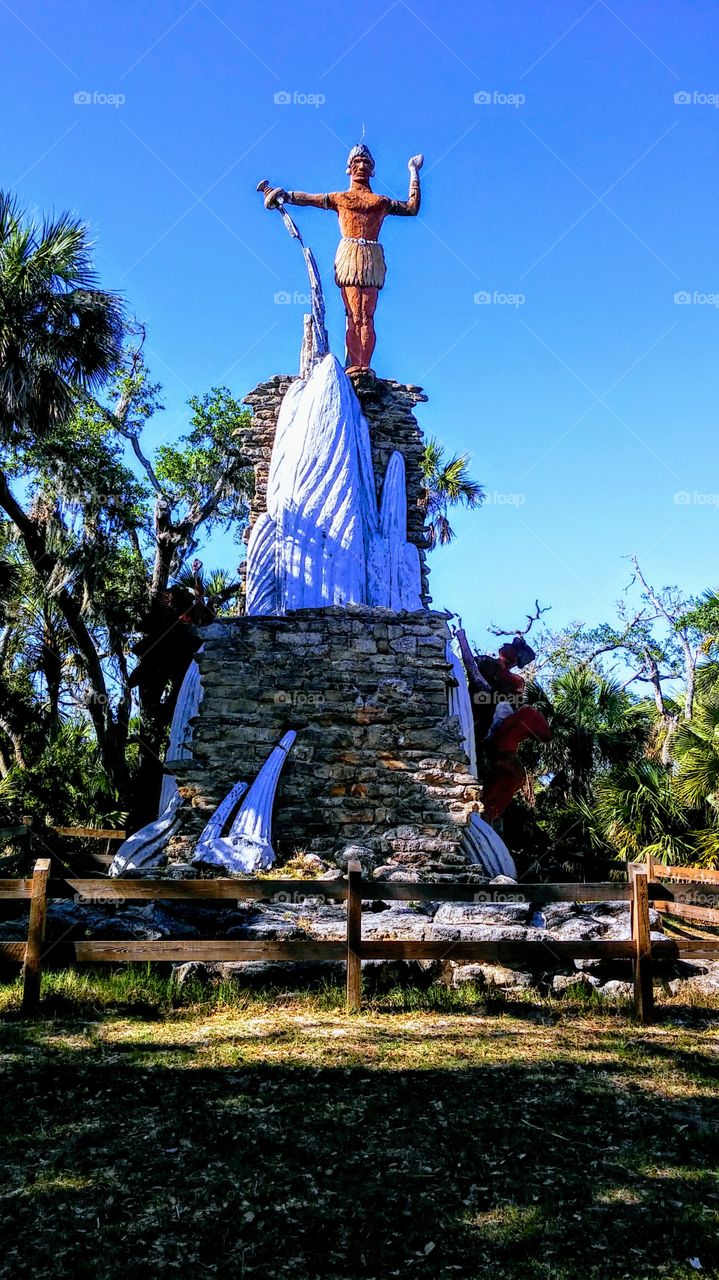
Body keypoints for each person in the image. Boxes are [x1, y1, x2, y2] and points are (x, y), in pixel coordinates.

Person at [263, 143, 423, 372]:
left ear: (372, 170)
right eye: (356, 162)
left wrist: (413, 173)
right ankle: (355, 365)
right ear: (348, 168)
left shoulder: (381, 202)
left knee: (366, 316)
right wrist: (284, 196)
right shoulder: (340, 198)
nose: (361, 166)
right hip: (349, 255)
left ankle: (362, 366)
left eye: (366, 163)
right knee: (353, 314)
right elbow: (310, 199)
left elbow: (411, 208)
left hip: (370, 256)